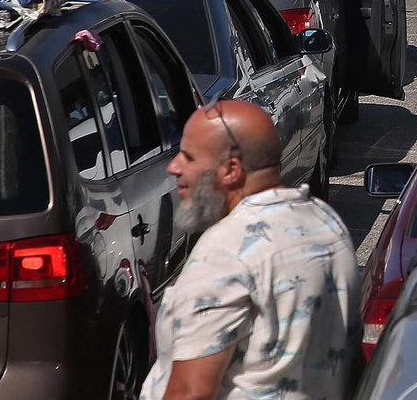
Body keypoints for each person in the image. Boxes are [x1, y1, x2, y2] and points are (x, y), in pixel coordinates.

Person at [141, 101, 359, 400]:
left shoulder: (225, 251)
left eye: (188, 157)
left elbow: (190, 393)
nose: (174, 167)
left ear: (231, 170)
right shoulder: (326, 222)